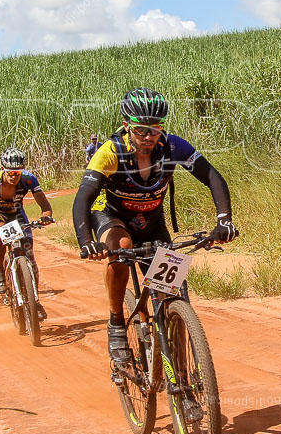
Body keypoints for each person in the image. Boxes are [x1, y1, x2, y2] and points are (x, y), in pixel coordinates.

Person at [73, 87, 238, 366]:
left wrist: (224, 220)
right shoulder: (110, 152)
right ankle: (116, 322)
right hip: (113, 217)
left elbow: (211, 176)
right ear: (127, 126)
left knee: (169, 294)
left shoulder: (173, 146)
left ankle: (181, 373)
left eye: (155, 129)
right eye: (141, 131)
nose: (149, 137)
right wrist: (85, 241)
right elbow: (83, 198)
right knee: (121, 247)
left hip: (152, 222)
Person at [0, 147, 54, 295]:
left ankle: (34, 297)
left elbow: (45, 205)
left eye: (18, 172)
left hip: (16, 213)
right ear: (3, 169)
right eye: (11, 172)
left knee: (29, 255)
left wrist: (46, 216)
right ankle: (0, 271)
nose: (14, 177)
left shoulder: (28, 179)